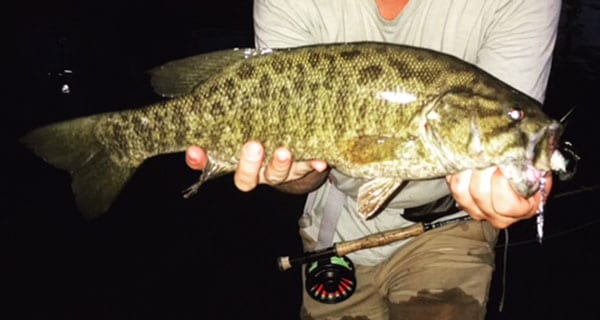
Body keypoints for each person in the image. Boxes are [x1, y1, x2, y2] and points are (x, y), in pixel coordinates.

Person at [186, 0, 561, 319]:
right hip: (334, 217)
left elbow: (510, 150)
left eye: (515, 117)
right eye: (515, 116)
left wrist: (511, 182)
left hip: (450, 226)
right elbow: (300, 176)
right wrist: (291, 172)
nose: (518, 121)